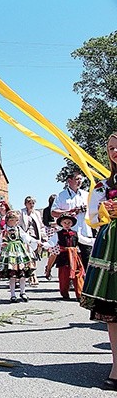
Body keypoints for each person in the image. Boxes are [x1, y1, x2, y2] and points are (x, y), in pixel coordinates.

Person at [81, 133, 117, 390]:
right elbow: (93, 217)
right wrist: (105, 209)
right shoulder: (103, 185)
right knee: (113, 313)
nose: (114, 151)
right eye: (110, 148)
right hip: (112, 246)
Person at [0, 210, 40, 303]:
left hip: (20, 255)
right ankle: (13, 294)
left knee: (22, 274)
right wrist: (1, 245)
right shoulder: (3, 231)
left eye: (16, 220)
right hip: (10, 255)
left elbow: (26, 238)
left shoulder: (19, 229)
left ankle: (23, 292)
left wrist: (36, 241)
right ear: (7, 220)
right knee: (12, 275)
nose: (14, 222)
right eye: (12, 220)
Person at [51, 170, 93, 270]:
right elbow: (53, 212)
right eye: (77, 179)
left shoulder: (86, 194)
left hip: (84, 231)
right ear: (69, 180)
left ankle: (86, 283)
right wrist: (68, 212)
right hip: (69, 233)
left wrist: (85, 208)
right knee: (70, 261)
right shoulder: (61, 195)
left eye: (80, 179)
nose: (80, 181)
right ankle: (71, 282)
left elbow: (94, 209)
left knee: (87, 259)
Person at [43, 214, 91, 300]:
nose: (67, 224)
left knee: (78, 276)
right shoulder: (58, 234)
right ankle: (64, 293)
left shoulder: (76, 234)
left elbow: (86, 241)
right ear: (61, 223)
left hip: (75, 257)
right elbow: (51, 243)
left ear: (72, 224)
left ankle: (80, 295)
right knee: (64, 276)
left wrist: (96, 241)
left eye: (69, 222)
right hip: (63, 257)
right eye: (65, 222)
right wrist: (43, 245)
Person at [18, 196, 47, 286]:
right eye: (29, 203)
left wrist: (44, 237)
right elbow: (19, 226)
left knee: (35, 257)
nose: (31, 205)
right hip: (26, 238)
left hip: (36, 237)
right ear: (25, 204)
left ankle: (33, 275)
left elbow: (41, 226)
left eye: (33, 203)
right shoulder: (21, 213)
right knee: (29, 257)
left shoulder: (37, 213)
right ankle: (31, 275)